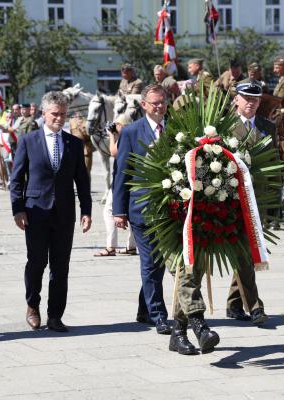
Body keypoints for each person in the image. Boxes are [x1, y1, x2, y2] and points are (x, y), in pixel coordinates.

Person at [10, 91, 92, 333]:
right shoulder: (28, 141)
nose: (59, 118)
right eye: (54, 114)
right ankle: (32, 306)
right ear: (43, 113)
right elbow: (16, 179)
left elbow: (83, 182)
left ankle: (55, 315)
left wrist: (86, 211)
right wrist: (18, 209)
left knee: (60, 266)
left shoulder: (74, 144)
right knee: (36, 262)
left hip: (64, 214)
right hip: (35, 212)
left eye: (63, 114)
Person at [112, 84, 172, 337]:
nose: (159, 107)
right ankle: (159, 315)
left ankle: (144, 308)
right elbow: (122, 172)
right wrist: (119, 210)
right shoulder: (131, 132)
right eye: (154, 103)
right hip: (142, 208)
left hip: (170, 208)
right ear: (144, 105)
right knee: (150, 262)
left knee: (158, 264)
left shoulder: (176, 129)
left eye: (162, 102)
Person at [225, 80, 271, 325]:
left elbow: (276, 164)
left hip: (259, 200)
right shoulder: (225, 128)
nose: (251, 103)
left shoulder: (267, 127)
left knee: (247, 252)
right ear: (236, 99)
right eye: (246, 98)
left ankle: (234, 304)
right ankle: (254, 307)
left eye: (255, 100)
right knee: (245, 253)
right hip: (233, 201)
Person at [96, 113, 137, 257]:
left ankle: (110, 246)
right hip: (133, 179)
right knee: (132, 213)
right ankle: (131, 246)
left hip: (122, 181)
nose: (114, 127)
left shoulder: (125, 137)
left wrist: (112, 136)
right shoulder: (134, 136)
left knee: (108, 211)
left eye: (117, 125)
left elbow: (114, 153)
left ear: (123, 126)